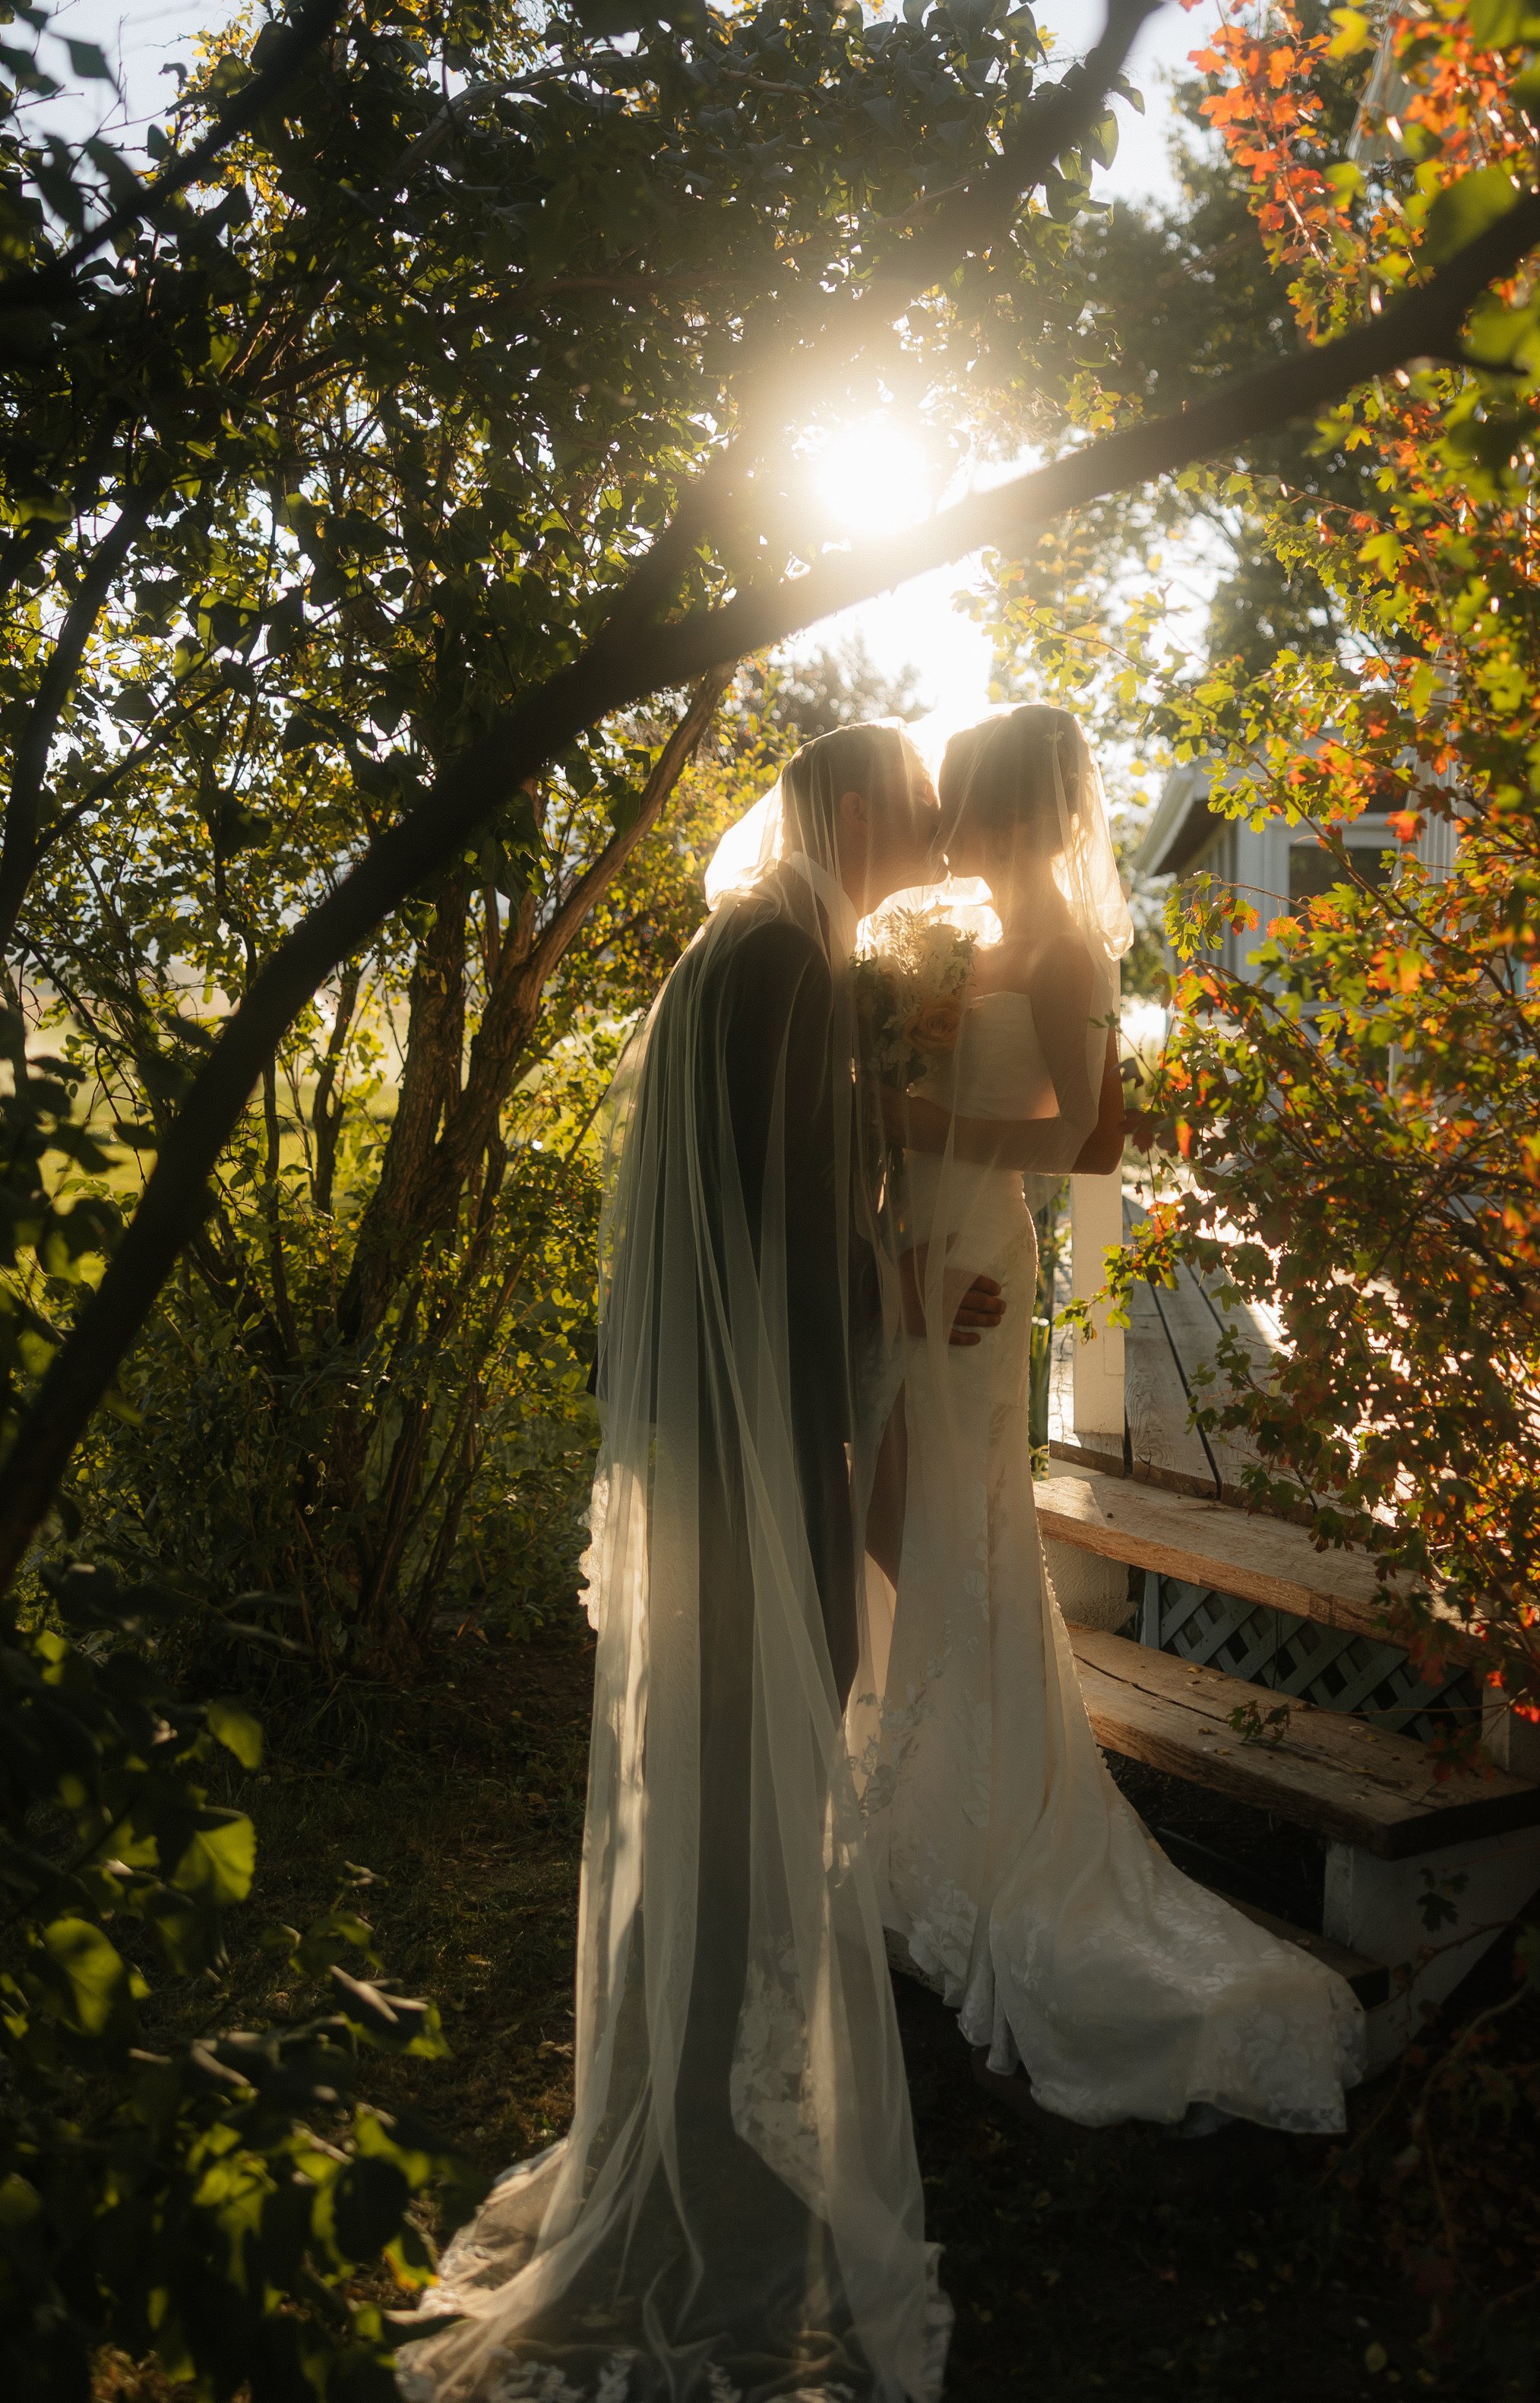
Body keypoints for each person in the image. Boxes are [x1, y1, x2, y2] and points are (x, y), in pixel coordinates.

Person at [405, 723, 996, 2403]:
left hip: (712, 1446)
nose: (935, 829)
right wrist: (881, 1334)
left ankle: (693, 2108)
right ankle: (701, 2157)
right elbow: (791, 1231)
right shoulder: (787, 960)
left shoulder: (763, 947)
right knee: (745, 1782)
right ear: (856, 805)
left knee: (722, 1782)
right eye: (916, 802)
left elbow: (769, 1205)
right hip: (753, 1460)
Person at [862, 704, 1367, 2134]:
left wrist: (906, 1121)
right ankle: (913, 1800)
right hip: (919, 1237)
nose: (950, 830)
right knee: (899, 1509)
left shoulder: (1075, 950)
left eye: (968, 804)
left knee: (960, 1519)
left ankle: (984, 1819)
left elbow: (1085, 1133)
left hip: (976, 1261)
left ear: (1022, 811)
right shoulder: (961, 944)